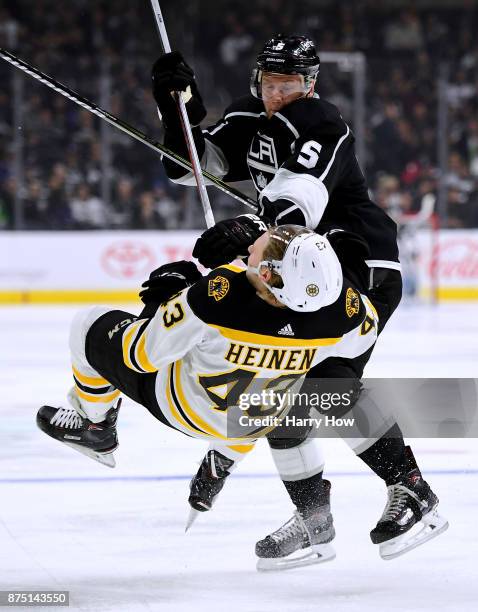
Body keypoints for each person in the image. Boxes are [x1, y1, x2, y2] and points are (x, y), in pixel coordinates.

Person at [150, 34, 447, 568]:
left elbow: (299, 200)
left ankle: (412, 492)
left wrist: (248, 232)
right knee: (280, 387)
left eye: (290, 83)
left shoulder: (321, 122)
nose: (279, 92)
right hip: (301, 275)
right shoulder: (249, 117)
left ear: (309, 84)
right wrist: (178, 109)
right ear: (257, 81)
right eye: (271, 82)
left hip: (359, 268)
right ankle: (314, 521)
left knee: (325, 386)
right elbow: (190, 165)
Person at [36, 225, 379, 563]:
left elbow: (141, 356)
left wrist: (164, 301)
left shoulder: (215, 297)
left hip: (184, 408)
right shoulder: (341, 312)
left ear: (269, 273)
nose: (260, 240)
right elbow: (362, 334)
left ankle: (96, 426)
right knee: (266, 390)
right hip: (256, 419)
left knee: (88, 323)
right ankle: (226, 462)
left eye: (265, 245)